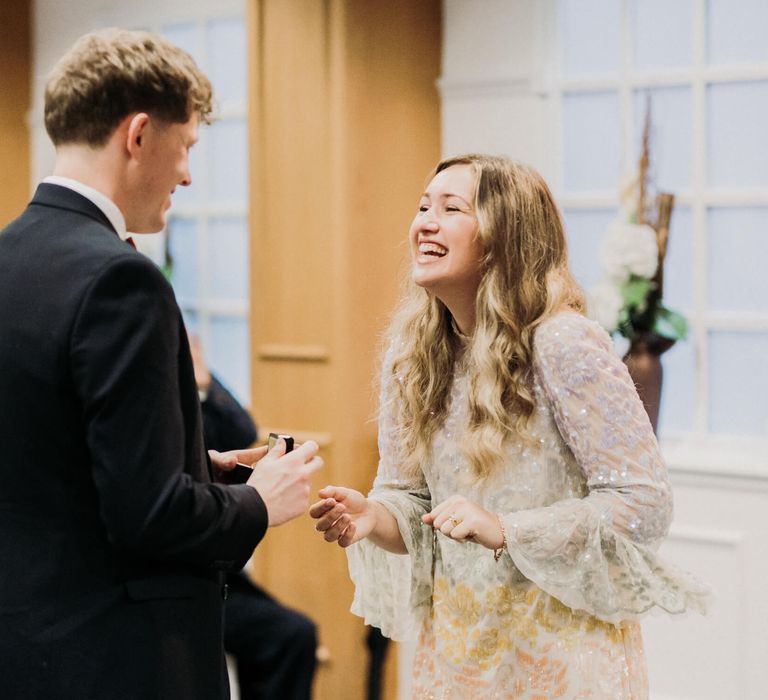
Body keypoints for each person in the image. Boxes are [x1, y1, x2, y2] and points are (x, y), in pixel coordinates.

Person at [310, 154, 708, 698]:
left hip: (559, 655)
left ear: (505, 238)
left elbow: (643, 503)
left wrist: (509, 529)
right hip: (457, 657)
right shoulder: (413, 355)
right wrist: (372, 516)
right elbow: (410, 497)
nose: (425, 221)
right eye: (424, 206)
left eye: (451, 209)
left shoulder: (562, 342)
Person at [0, 29, 322, 700]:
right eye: (188, 146)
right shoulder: (123, 280)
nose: (187, 174)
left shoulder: (9, 256)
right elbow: (147, 516)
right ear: (139, 134)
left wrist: (196, 467)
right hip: (117, 660)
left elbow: (44, 458)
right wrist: (260, 503)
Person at [189, 335, 318, 700]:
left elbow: (242, 431)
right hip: (169, 570)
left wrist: (204, 385)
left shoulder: (188, 382)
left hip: (214, 572)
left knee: (292, 635)